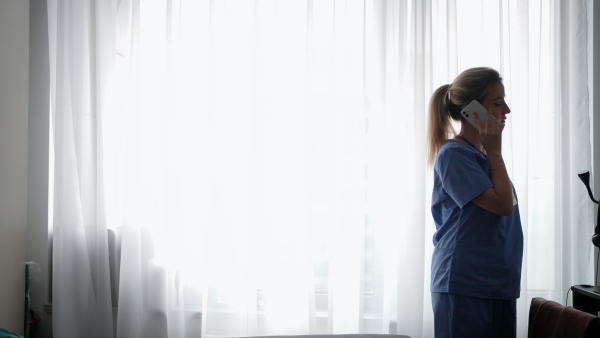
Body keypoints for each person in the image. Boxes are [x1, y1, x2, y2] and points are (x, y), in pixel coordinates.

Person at [427, 67, 523, 338]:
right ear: (472, 110)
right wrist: (494, 150)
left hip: (499, 282)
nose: (506, 110)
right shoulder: (454, 155)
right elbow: (503, 205)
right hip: (465, 282)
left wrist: (491, 153)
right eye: (497, 102)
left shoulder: (484, 159)